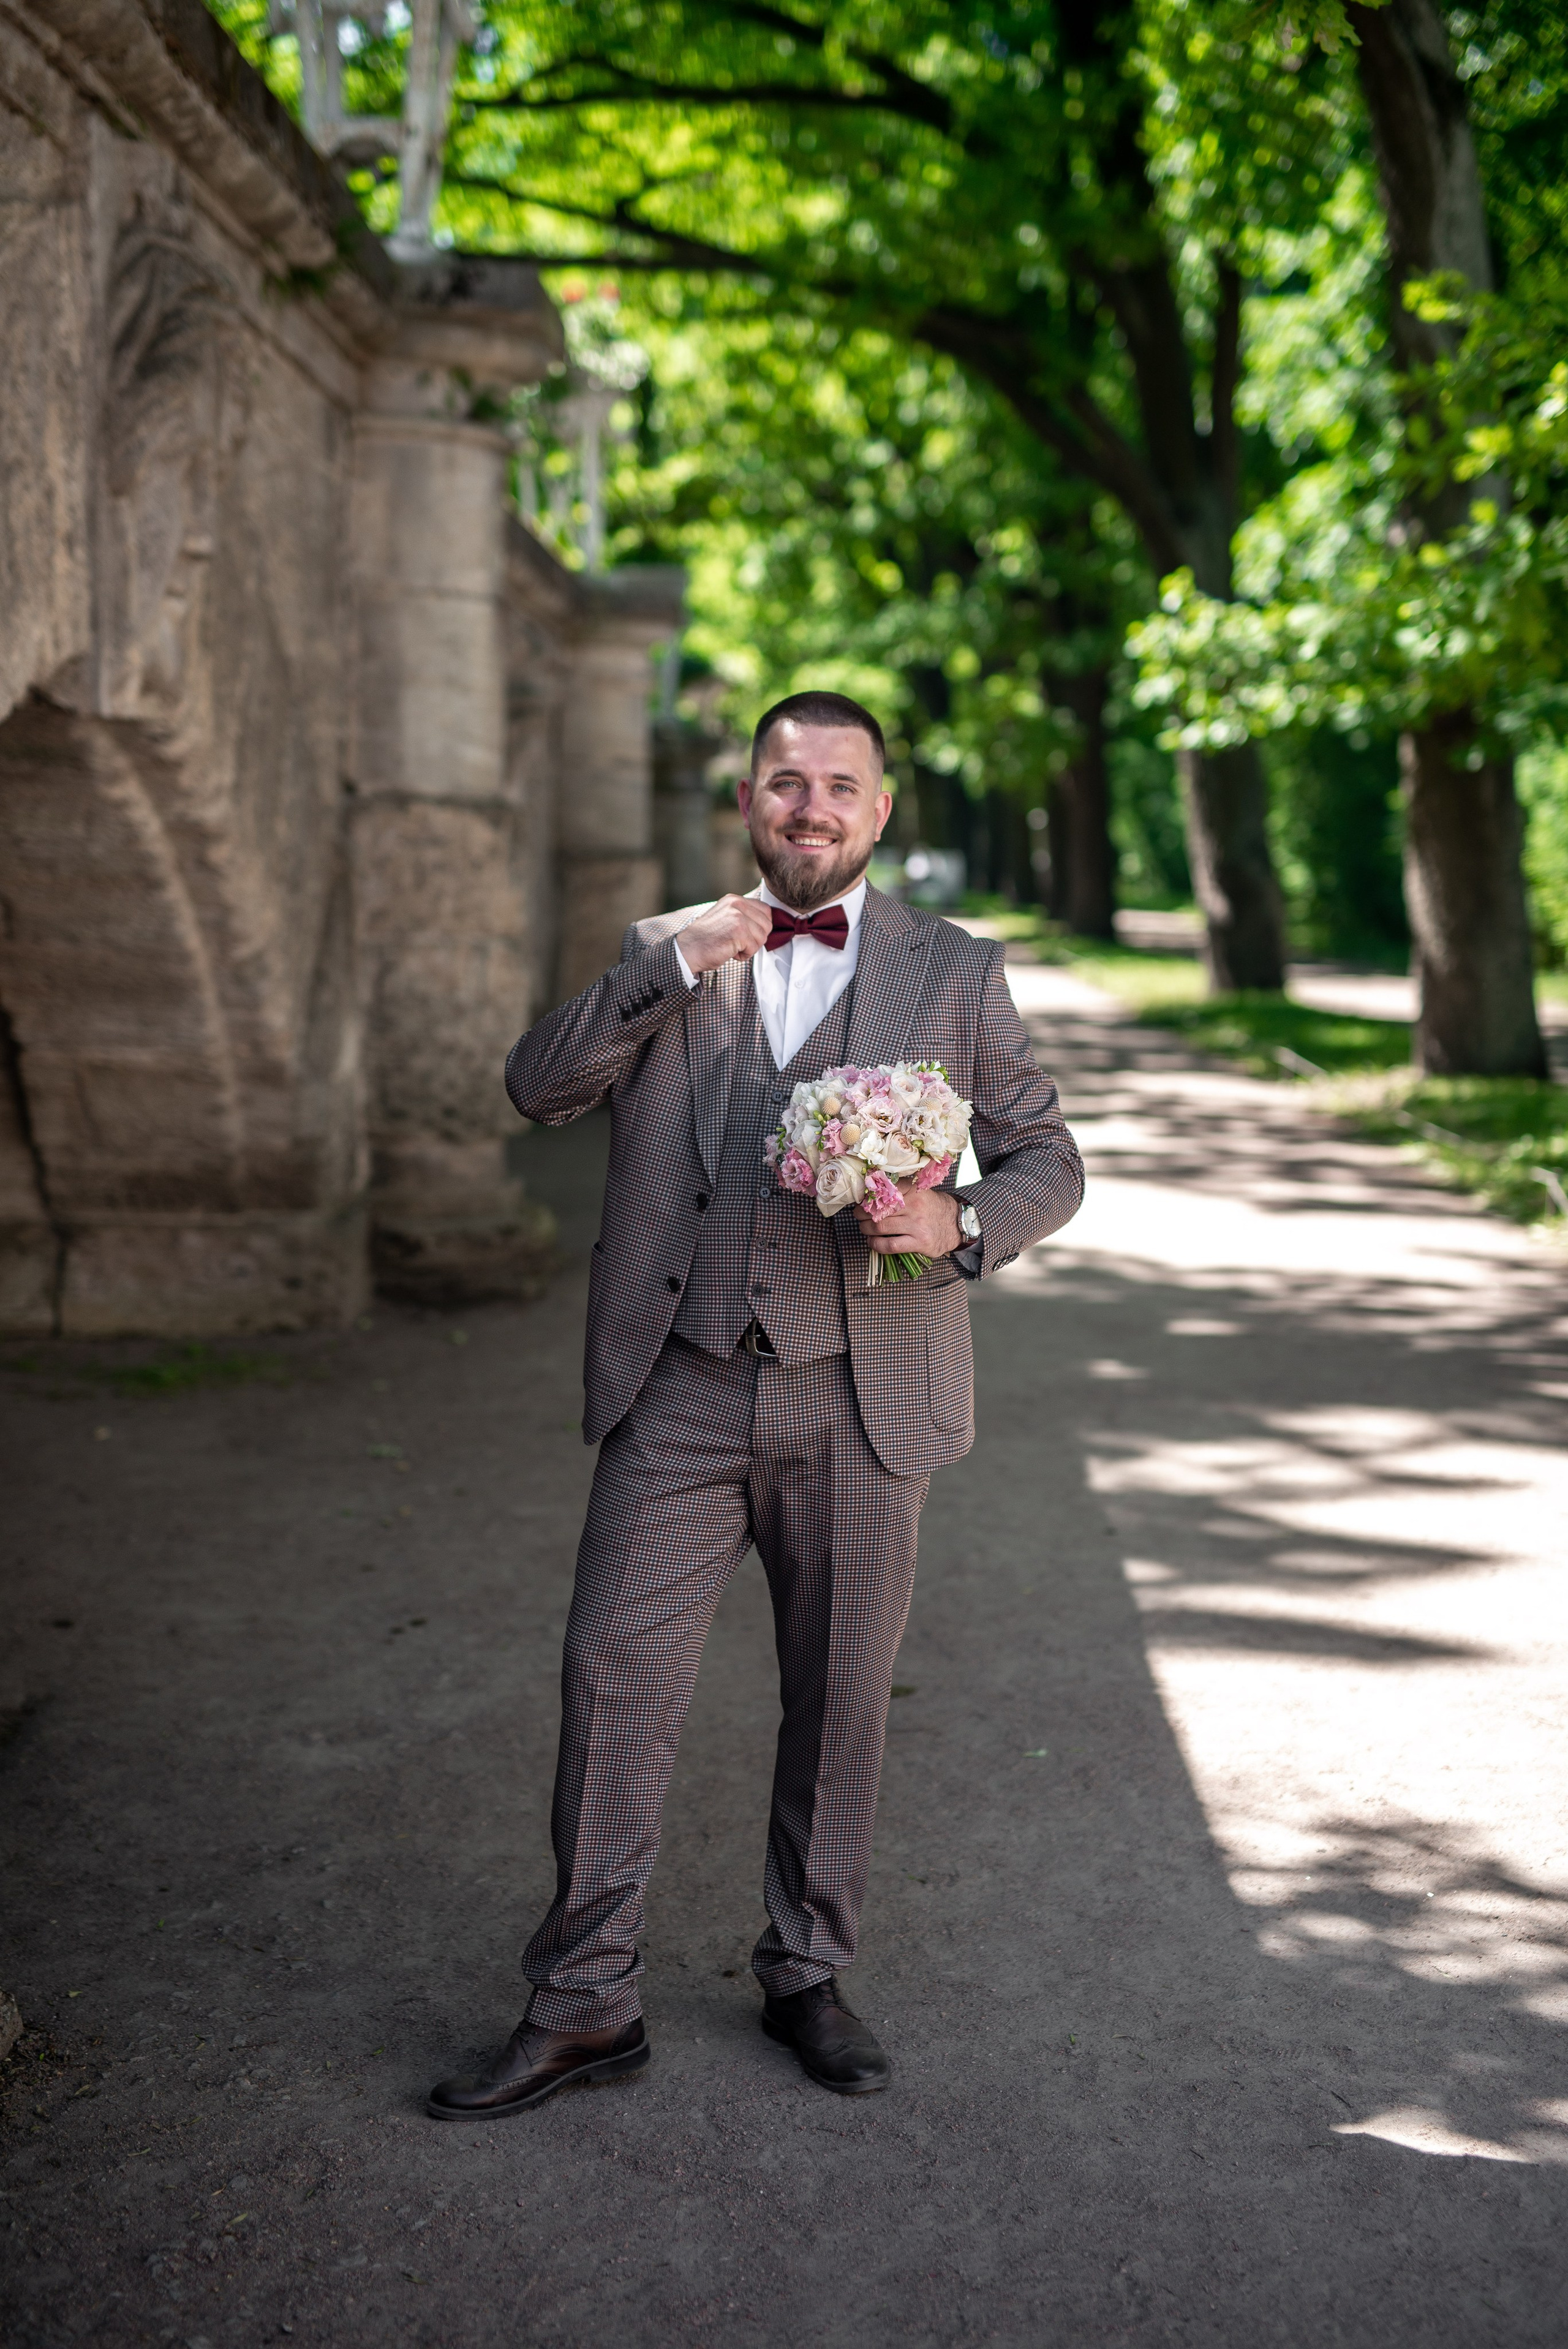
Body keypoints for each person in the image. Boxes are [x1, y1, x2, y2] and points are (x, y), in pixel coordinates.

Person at [428, 690, 1084, 2118]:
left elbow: (1048, 1156)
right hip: (680, 1380)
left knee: (837, 1699)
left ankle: (804, 1968)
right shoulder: (663, 952)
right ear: (747, 800)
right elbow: (536, 1090)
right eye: (785, 781)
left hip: (865, 1390)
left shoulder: (954, 971)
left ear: (879, 810)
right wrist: (667, 969)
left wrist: (957, 1228)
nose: (811, 807)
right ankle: (585, 2000)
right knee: (610, 1678)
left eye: (839, 784)